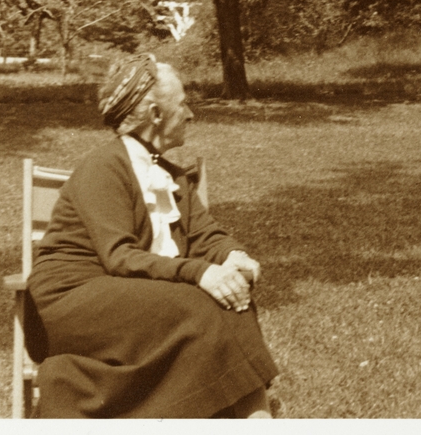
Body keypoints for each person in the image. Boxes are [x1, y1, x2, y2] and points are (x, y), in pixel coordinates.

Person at [25, 54, 278, 418]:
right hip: (74, 298)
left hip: (129, 293)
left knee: (230, 294)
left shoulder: (172, 175)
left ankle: (255, 419)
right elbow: (120, 256)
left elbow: (206, 234)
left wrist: (233, 257)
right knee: (198, 304)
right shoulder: (103, 167)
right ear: (156, 115)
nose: (191, 114)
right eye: (183, 104)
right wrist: (199, 272)